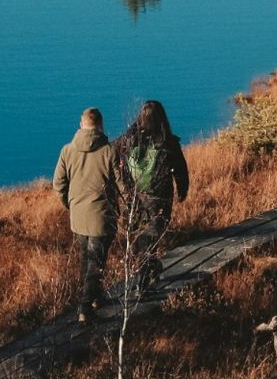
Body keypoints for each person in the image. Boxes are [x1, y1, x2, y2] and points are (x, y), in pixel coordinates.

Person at [113, 100, 191, 289]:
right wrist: (182, 191)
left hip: (134, 197)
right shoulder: (168, 142)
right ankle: (145, 278)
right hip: (159, 197)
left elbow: (114, 157)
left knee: (139, 237)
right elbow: (180, 170)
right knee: (152, 237)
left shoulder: (127, 140)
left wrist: (121, 186)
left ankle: (146, 271)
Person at [54, 107, 117, 322]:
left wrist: (70, 204)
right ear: (100, 126)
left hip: (78, 216)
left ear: (81, 125)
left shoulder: (67, 151)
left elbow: (58, 184)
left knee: (87, 259)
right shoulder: (109, 151)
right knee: (96, 261)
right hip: (102, 215)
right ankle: (84, 307)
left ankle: (95, 298)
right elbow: (122, 185)